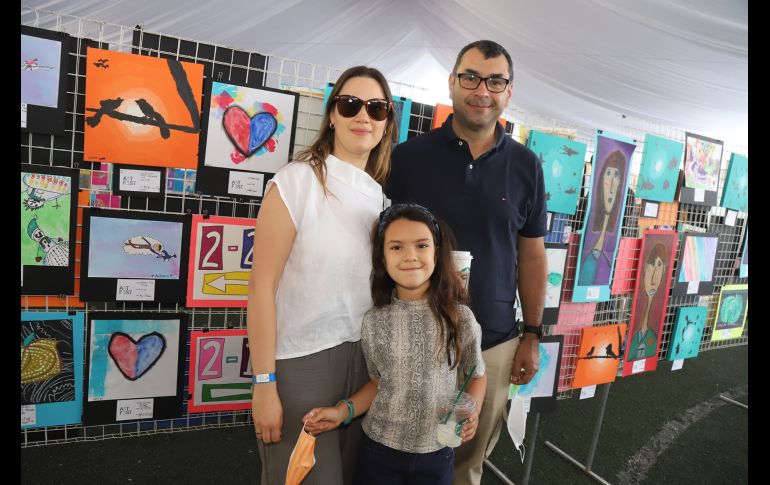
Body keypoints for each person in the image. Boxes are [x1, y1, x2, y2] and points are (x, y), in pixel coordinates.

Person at [386, 40, 548, 485]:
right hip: (411, 338)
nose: (483, 90)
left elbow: (532, 254)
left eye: (496, 81)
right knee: (396, 451)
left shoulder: (527, 166)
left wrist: (531, 334)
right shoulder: (406, 159)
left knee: (463, 462)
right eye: (471, 77)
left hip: (491, 345)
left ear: (509, 92)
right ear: (453, 84)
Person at [246, 65, 398, 485]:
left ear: (387, 123)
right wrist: (264, 383)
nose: (363, 116)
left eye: (377, 108)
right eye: (350, 105)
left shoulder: (381, 201)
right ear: (331, 114)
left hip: (363, 364)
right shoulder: (297, 182)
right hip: (300, 362)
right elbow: (261, 288)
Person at [302, 203, 487, 485]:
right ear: (382, 258)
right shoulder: (374, 321)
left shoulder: (460, 318)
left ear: (437, 252)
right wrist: (342, 411)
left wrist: (471, 410)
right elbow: (377, 384)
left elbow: (477, 375)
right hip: (379, 452)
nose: (410, 256)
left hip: (437, 453)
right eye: (396, 247)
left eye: (421, 245)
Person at [577, 149, 627, 286]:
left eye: (616, 174)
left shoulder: (626, 195)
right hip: (592, 251)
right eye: (608, 173)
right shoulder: (593, 193)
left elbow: (629, 227)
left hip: (613, 253)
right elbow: (579, 220)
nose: (611, 180)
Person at [627, 242, 667, 359]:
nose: (654, 276)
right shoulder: (635, 334)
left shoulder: (652, 338)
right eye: (651, 268)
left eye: (659, 268)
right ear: (644, 269)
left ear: (663, 271)